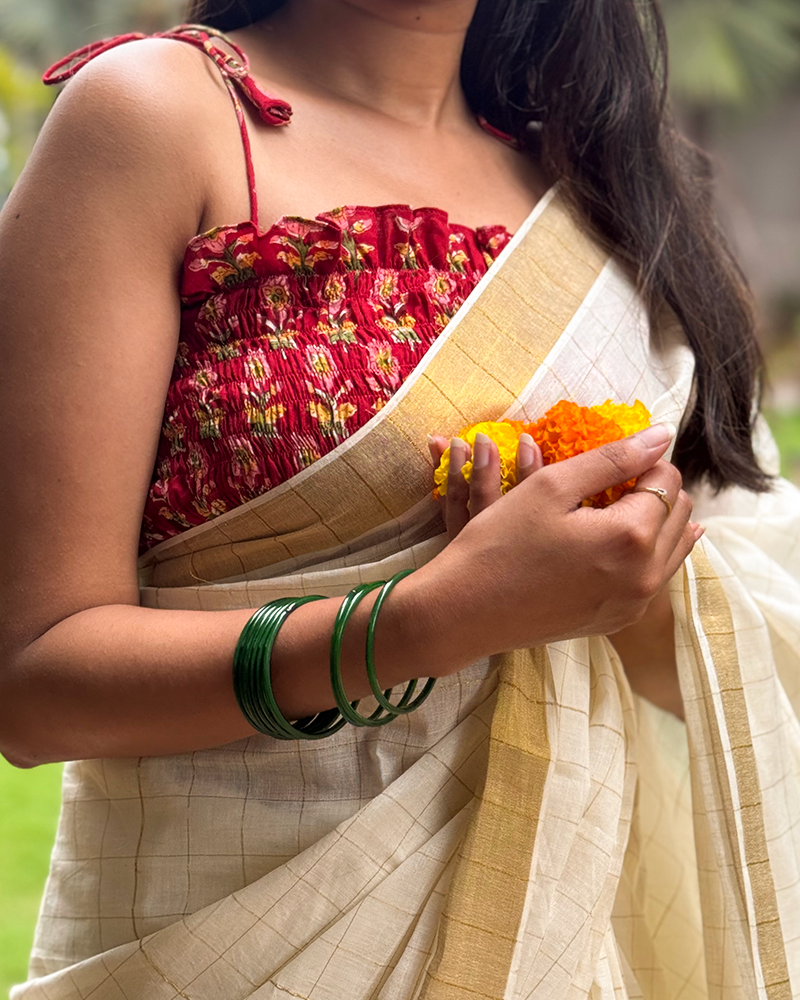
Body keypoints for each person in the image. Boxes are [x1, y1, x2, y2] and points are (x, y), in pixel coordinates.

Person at [1, 2, 799, 998]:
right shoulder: (161, 117)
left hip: (550, 944)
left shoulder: (593, 180)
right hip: (226, 950)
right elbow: (32, 683)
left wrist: (620, 588)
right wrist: (431, 620)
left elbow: (747, 610)